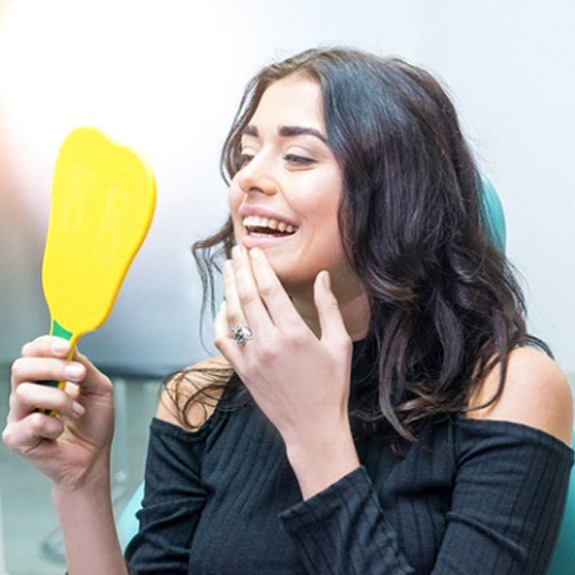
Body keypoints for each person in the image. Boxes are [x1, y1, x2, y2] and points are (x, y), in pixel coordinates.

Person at [3, 47, 574, 575]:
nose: (249, 177)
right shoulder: (196, 398)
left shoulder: (505, 390)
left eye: (298, 156)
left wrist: (314, 434)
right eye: (248, 154)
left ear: (399, 196)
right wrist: (80, 484)